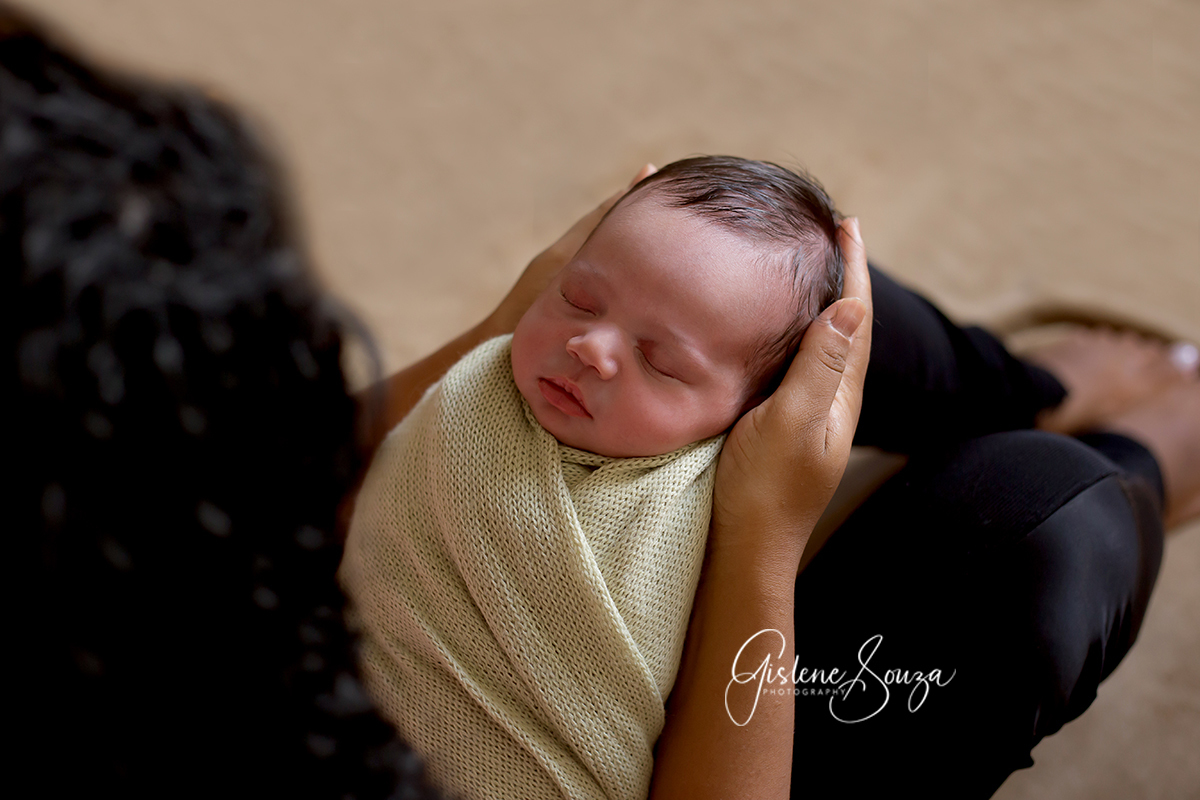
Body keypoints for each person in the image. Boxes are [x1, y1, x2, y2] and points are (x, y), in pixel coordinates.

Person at [341, 155, 850, 800]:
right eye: (578, 299)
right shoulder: (476, 386)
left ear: (747, 415)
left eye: (658, 361)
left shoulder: (698, 499)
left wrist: (768, 529)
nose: (591, 347)